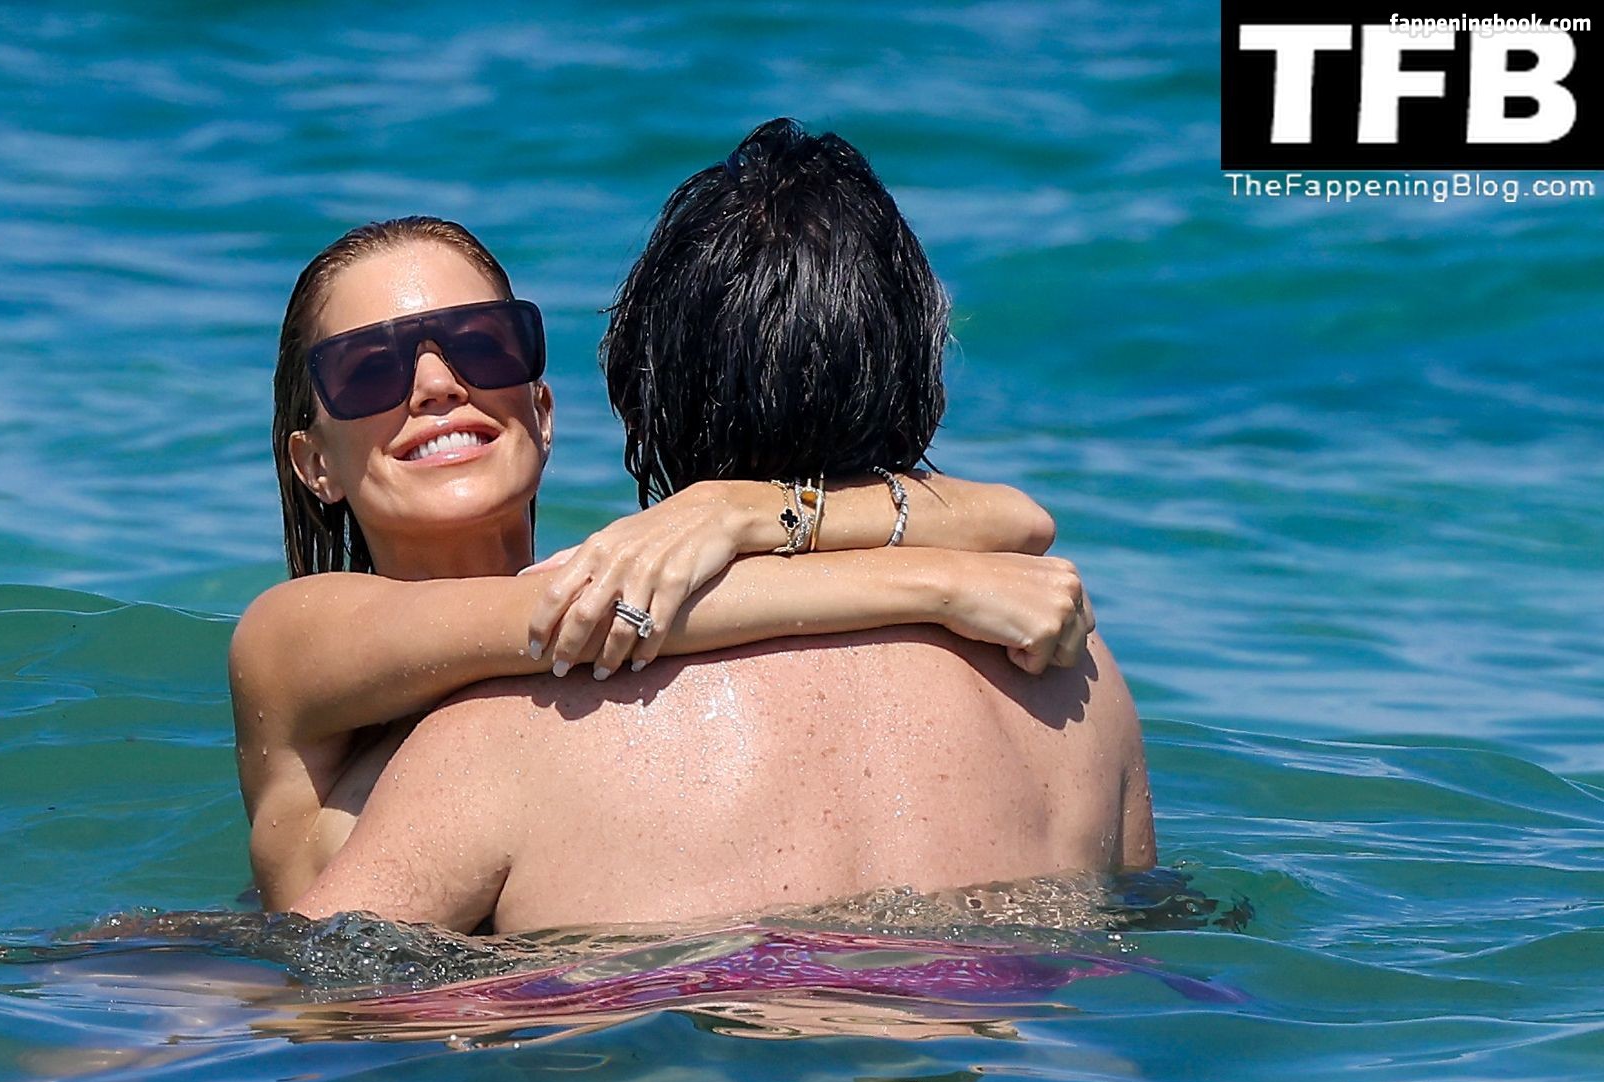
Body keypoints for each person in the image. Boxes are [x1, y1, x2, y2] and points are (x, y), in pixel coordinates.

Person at [286, 120, 1155, 932]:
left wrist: (735, 511)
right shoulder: (1082, 678)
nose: (436, 386)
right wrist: (946, 580)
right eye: (366, 370)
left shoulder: (495, 740)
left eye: (484, 345)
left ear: (612, 398)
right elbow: (1142, 928)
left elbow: (308, 1003)